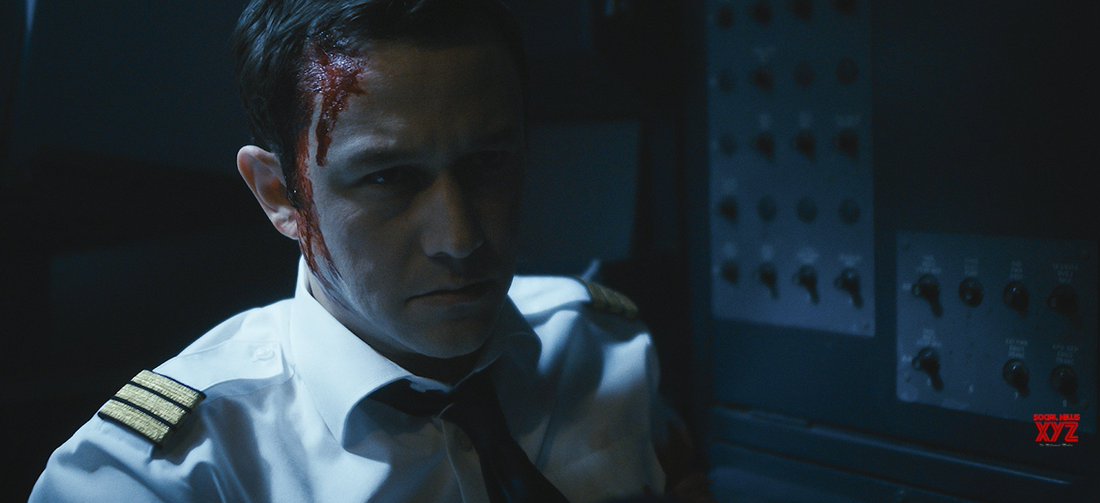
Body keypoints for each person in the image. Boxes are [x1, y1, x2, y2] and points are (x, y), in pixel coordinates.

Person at [29, 0, 709, 501]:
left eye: (488, 163)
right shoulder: (157, 476)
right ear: (278, 194)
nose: (461, 238)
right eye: (389, 178)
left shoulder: (604, 346)